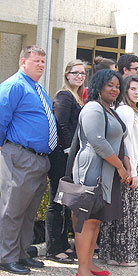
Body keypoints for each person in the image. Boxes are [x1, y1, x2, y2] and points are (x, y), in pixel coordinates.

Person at [0, 45, 55, 275]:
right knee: (12, 210)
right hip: (20, 156)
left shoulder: (38, 88)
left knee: (29, 211)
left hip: (39, 159)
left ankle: (21, 253)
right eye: (36, 61)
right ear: (23, 62)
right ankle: (6, 256)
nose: (41, 65)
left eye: (43, 61)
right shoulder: (14, 86)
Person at [73, 69, 131, 276]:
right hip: (91, 170)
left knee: (96, 219)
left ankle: (89, 263)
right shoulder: (93, 109)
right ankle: (82, 269)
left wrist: (126, 165)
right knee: (85, 220)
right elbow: (98, 142)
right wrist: (120, 167)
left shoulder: (110, 109)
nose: (114, 89)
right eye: (110, 85)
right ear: (99, 86)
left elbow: (118, 140)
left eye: (117, 86)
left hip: (109, 171)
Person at [99, 75, 138, 266]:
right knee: (124, 213)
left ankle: (119, 254)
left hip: (132, 165)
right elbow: (127, 143)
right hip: (128, 166)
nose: (137, 93)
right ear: (126, 91)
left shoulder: (133, 110)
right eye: (133, 89)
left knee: (127, 212)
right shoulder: (126, 111)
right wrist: (132, 172)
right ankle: (120, 255)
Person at [46, 59, 87, 264]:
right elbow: (61, 123)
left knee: (66, 202)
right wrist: (71, 152)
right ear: (67, 74)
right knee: (57, 201)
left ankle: (63, 244)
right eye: (75, 73)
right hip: (61, 156)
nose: (79, 76)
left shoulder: (78, 98)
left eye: (82, 73)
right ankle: (53, 248)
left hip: (71, 156)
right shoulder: (64, 96)